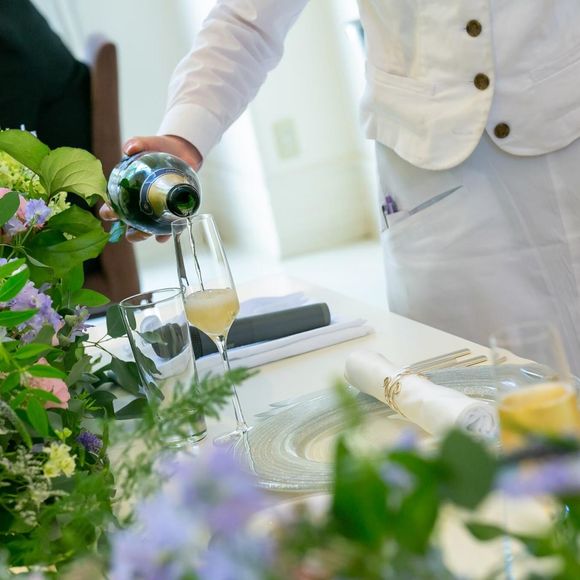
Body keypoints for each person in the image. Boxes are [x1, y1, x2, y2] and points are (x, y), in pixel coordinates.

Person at [101, 1, 580, 365]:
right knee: (474, 382)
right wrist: (184, 137)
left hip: (569, 118)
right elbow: (247, 21)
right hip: (434, 175)